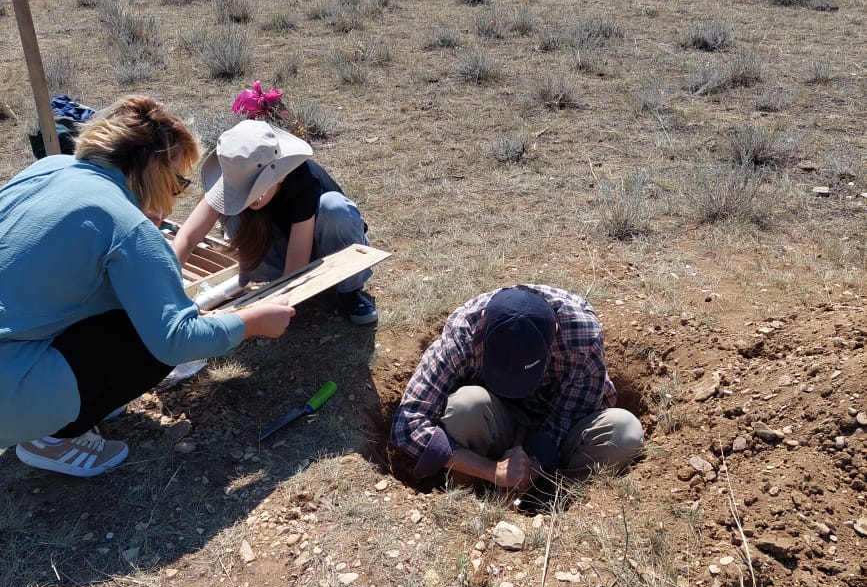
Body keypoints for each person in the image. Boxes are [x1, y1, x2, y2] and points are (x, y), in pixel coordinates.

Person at [0, 95, 295, 478]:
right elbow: (177, 339)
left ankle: (71, 397)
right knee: (147, 340)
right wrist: (252, 322)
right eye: (177, 181)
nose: (175, 194)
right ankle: (52, 438)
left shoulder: (50, 168)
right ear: (154, 170)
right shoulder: (126, 223)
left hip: (14, 354)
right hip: (9, 391)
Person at [390, 285, 643, 495]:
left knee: (624, 432)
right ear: (483, 325)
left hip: (554, 423)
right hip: (494, 423)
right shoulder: (463, 333)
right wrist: (492, 471)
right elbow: (406, 426)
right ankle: (466, 493)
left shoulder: (582, 336)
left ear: (554, 334)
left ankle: (549, 497)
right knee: (466, 406)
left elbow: (565, 419)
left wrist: (533, 467)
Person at [171, 119, 377, 325]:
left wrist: (280, 302)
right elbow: (188, 237)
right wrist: (166, 286)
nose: (251, 199)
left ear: (280, 176)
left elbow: (297, 258)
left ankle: (349, 292)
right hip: (277, 251)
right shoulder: (234, 174)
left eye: (256, 191)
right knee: (227, 209)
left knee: (335, 208)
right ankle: (268, 282)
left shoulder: (303, 181)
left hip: (321, 250)